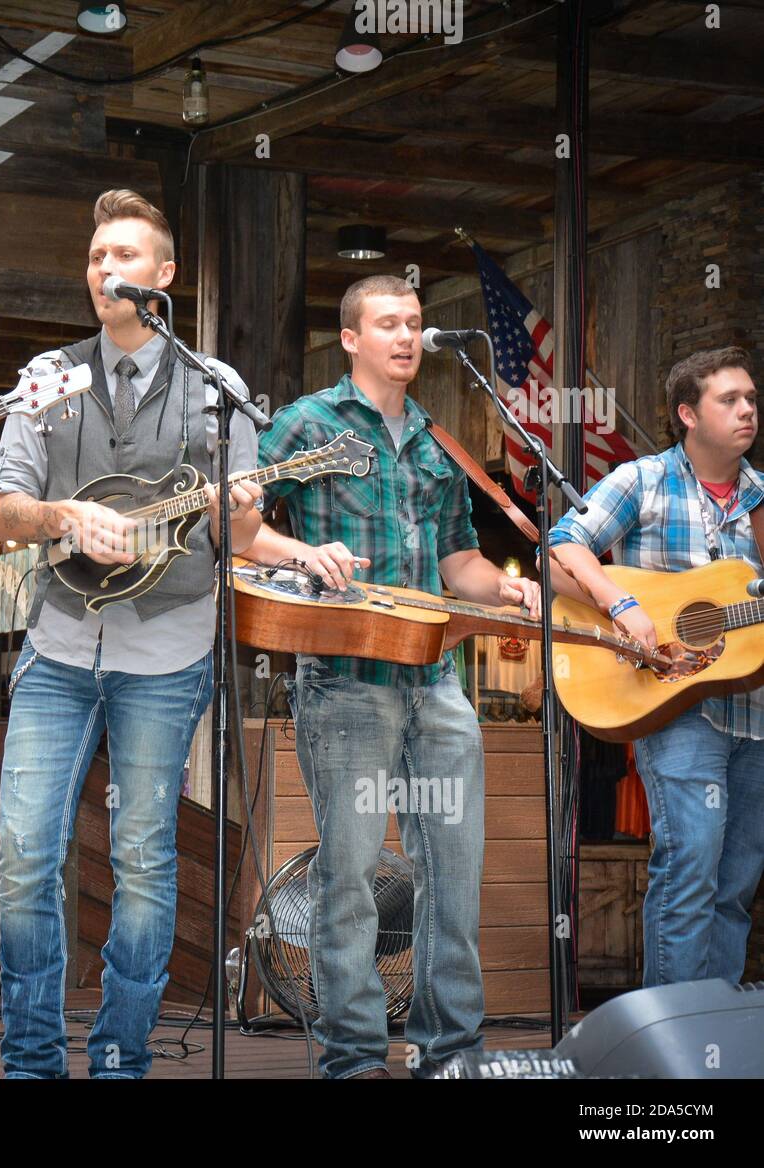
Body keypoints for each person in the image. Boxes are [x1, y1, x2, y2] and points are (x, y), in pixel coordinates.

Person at [0, 189, 263, 1078]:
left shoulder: (218, 388)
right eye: (97, 257)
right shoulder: (48, 374)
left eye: (126, 257)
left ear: (165, 277)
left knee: (145, 859)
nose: (107, 271)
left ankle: (119, 1055)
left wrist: (245, 515)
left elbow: (239, 538)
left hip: (170, 648)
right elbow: (3, 507)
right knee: (26, 853)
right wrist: (62, 513)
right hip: (59, 644)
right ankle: (31, 1058)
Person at [246, 274, 540, 1079]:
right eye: (389, 324)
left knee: (453, 872)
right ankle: (353, 1057)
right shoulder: (304, 424)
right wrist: (299, 552)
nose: (408, 337)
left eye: (415, 324)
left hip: (436, 677)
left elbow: (460, 562)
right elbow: (233, 524)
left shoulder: (438, 441)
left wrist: (507, 585)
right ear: (351, 338)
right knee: (349, 875)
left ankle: (450, 1051)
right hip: (344, 681)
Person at [549, 346, 764, 987]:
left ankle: (716, 1036)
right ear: (688, 415)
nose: (747, 409)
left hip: (755, 714)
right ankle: (671, 1040)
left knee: (735, 884)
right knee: (691, 869)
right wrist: (623, 604)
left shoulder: (761, 497)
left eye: (751, 398)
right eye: (730, 399)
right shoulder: (642, 480)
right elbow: (562, 544)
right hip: (674, 708)